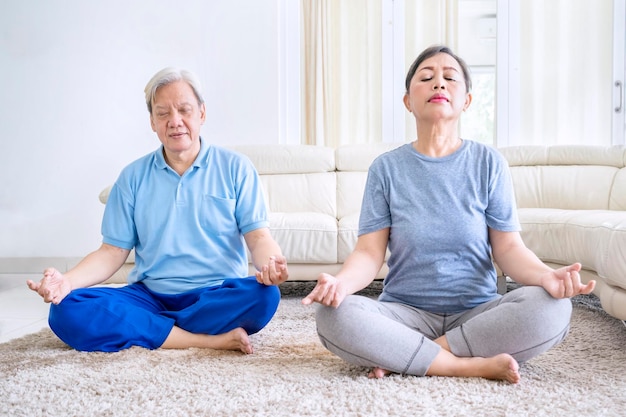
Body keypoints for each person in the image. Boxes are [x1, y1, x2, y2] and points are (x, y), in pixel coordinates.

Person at [302, 45, 595, 384]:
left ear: (467, 101)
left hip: (478, 312)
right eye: (426, 78)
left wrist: (547, 277)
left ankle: (415, 354)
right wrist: (340, 284)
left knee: (553, 307)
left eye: (450, 78)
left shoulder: (489, 163)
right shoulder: (386, 169)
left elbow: (509, 249)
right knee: (334, 315)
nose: (438, 84)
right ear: (408, 102)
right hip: (404, 313)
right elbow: (369, 253)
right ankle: (465, 365)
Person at [28, 67, 289, 353]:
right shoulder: (132, 177)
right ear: (152, 121)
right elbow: (111, 252)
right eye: (163, 113)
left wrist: (270, 266)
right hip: (150, 296)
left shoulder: (236, 168)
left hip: (214, 295)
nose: (175, 121)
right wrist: (66, 282)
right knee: (65, 310)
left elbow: (259, 238)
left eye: (184, 110)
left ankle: (149, 328)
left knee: (265, 296)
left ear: (201, 113)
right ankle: (202, 339)